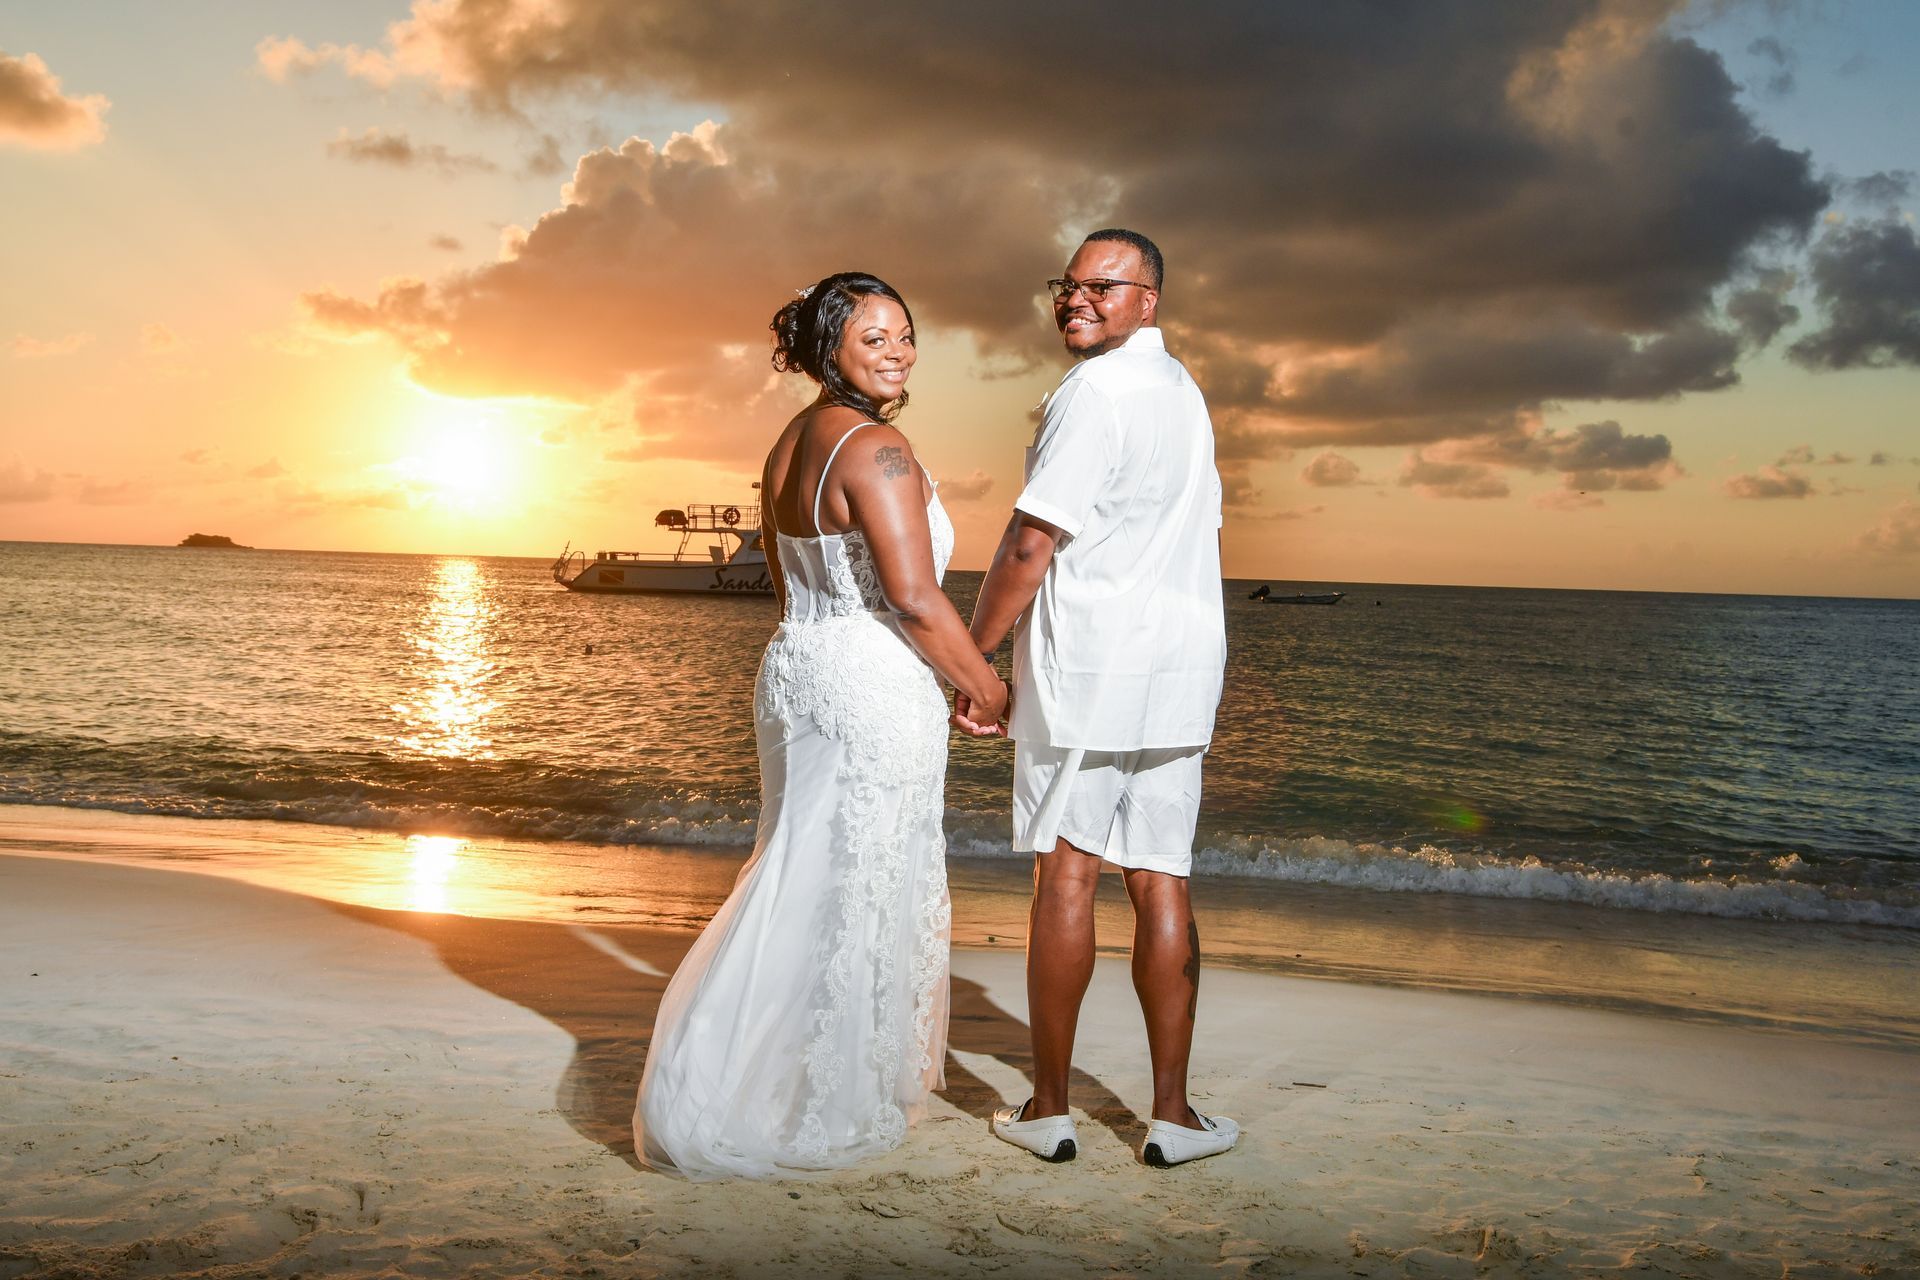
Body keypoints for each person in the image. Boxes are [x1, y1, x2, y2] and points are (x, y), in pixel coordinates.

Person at [634, 271, 1009, 1179]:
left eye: (906, 335)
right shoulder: (878, 449)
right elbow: (917, 602)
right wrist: (986, 688)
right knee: (859, 877)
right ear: (828, 348)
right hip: (871, 679)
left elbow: (785, 578)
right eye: (873, 337)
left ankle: (754, 1076)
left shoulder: (788, 443)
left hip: (796, 665)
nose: (899, 352)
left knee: (801, 867)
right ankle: (805, 1094)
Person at [959, 229, 1234, 1168]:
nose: (1075, 299)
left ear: (1147, 299)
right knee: (1161, 874)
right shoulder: (1183, 392)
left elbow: (1032, 543)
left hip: (1089, 670)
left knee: (1068, 876)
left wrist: (974, 657)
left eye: (1102, 286)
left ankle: (1048, 1109)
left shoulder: (1095, 394)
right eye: (1067, 285)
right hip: (1179, 672)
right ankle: (1172, 1115)